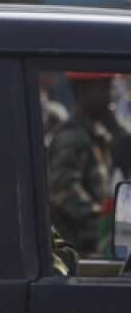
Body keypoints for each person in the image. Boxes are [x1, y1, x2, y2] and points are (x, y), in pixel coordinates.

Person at [49, 72, 117, 257]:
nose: (110, 94)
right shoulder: (72, 137)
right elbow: (64, 190)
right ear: (81, 91)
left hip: (93, 249)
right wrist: (104, 225)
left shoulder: (96, 134)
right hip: (77, 255)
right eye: (103, 87)